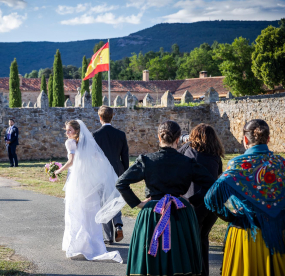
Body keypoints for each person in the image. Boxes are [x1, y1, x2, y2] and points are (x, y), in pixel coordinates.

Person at [116, 120, 215, 276]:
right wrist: (191, 201)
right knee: (179, 253)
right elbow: (211, 183)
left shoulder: (147, 160)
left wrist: (139, 204)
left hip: (152, 213)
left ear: (158, 137)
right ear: (177, 139)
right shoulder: (187, 162)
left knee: (151, 254)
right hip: (180, 213)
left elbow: (121, 183)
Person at [205, 119, 285, 276]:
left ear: (245, 140)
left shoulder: (238, 164)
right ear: (268, 139)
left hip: (246, 235)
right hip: (278, 236)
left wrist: (230, 216)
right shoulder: (281, 163)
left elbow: (211, 198)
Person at [54, 120, 125, 262]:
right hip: (88, 181)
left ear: (76, 131)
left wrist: (58, 171)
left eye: (69, 130)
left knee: (75, 209)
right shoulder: (87, 143)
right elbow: (99, 159)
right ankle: (93, 241)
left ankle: (77, 242)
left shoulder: (70, 143)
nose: (67, 133)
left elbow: (71, 162)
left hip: (77, 181)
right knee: (89, 210)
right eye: (66, 130)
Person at [178, 123, 224, 276]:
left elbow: (178, 153)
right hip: (212, 205)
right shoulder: (216, 155)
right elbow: (218, 175)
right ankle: (203, 272)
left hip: (196, 202)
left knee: (192, 242)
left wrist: (187, 141)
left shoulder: (190, 151)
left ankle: (194, 272)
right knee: (203, 239)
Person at [93, 106, 128, 244]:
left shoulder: (95, 135)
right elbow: (124, 156)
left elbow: (93, 157)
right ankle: (118, 224)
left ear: (99, 117)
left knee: (104, 203)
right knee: (115, 198)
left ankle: (108, 237)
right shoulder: (121, 134)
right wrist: (126, 174)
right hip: (117, 170)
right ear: (112, 116)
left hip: (101, 171)